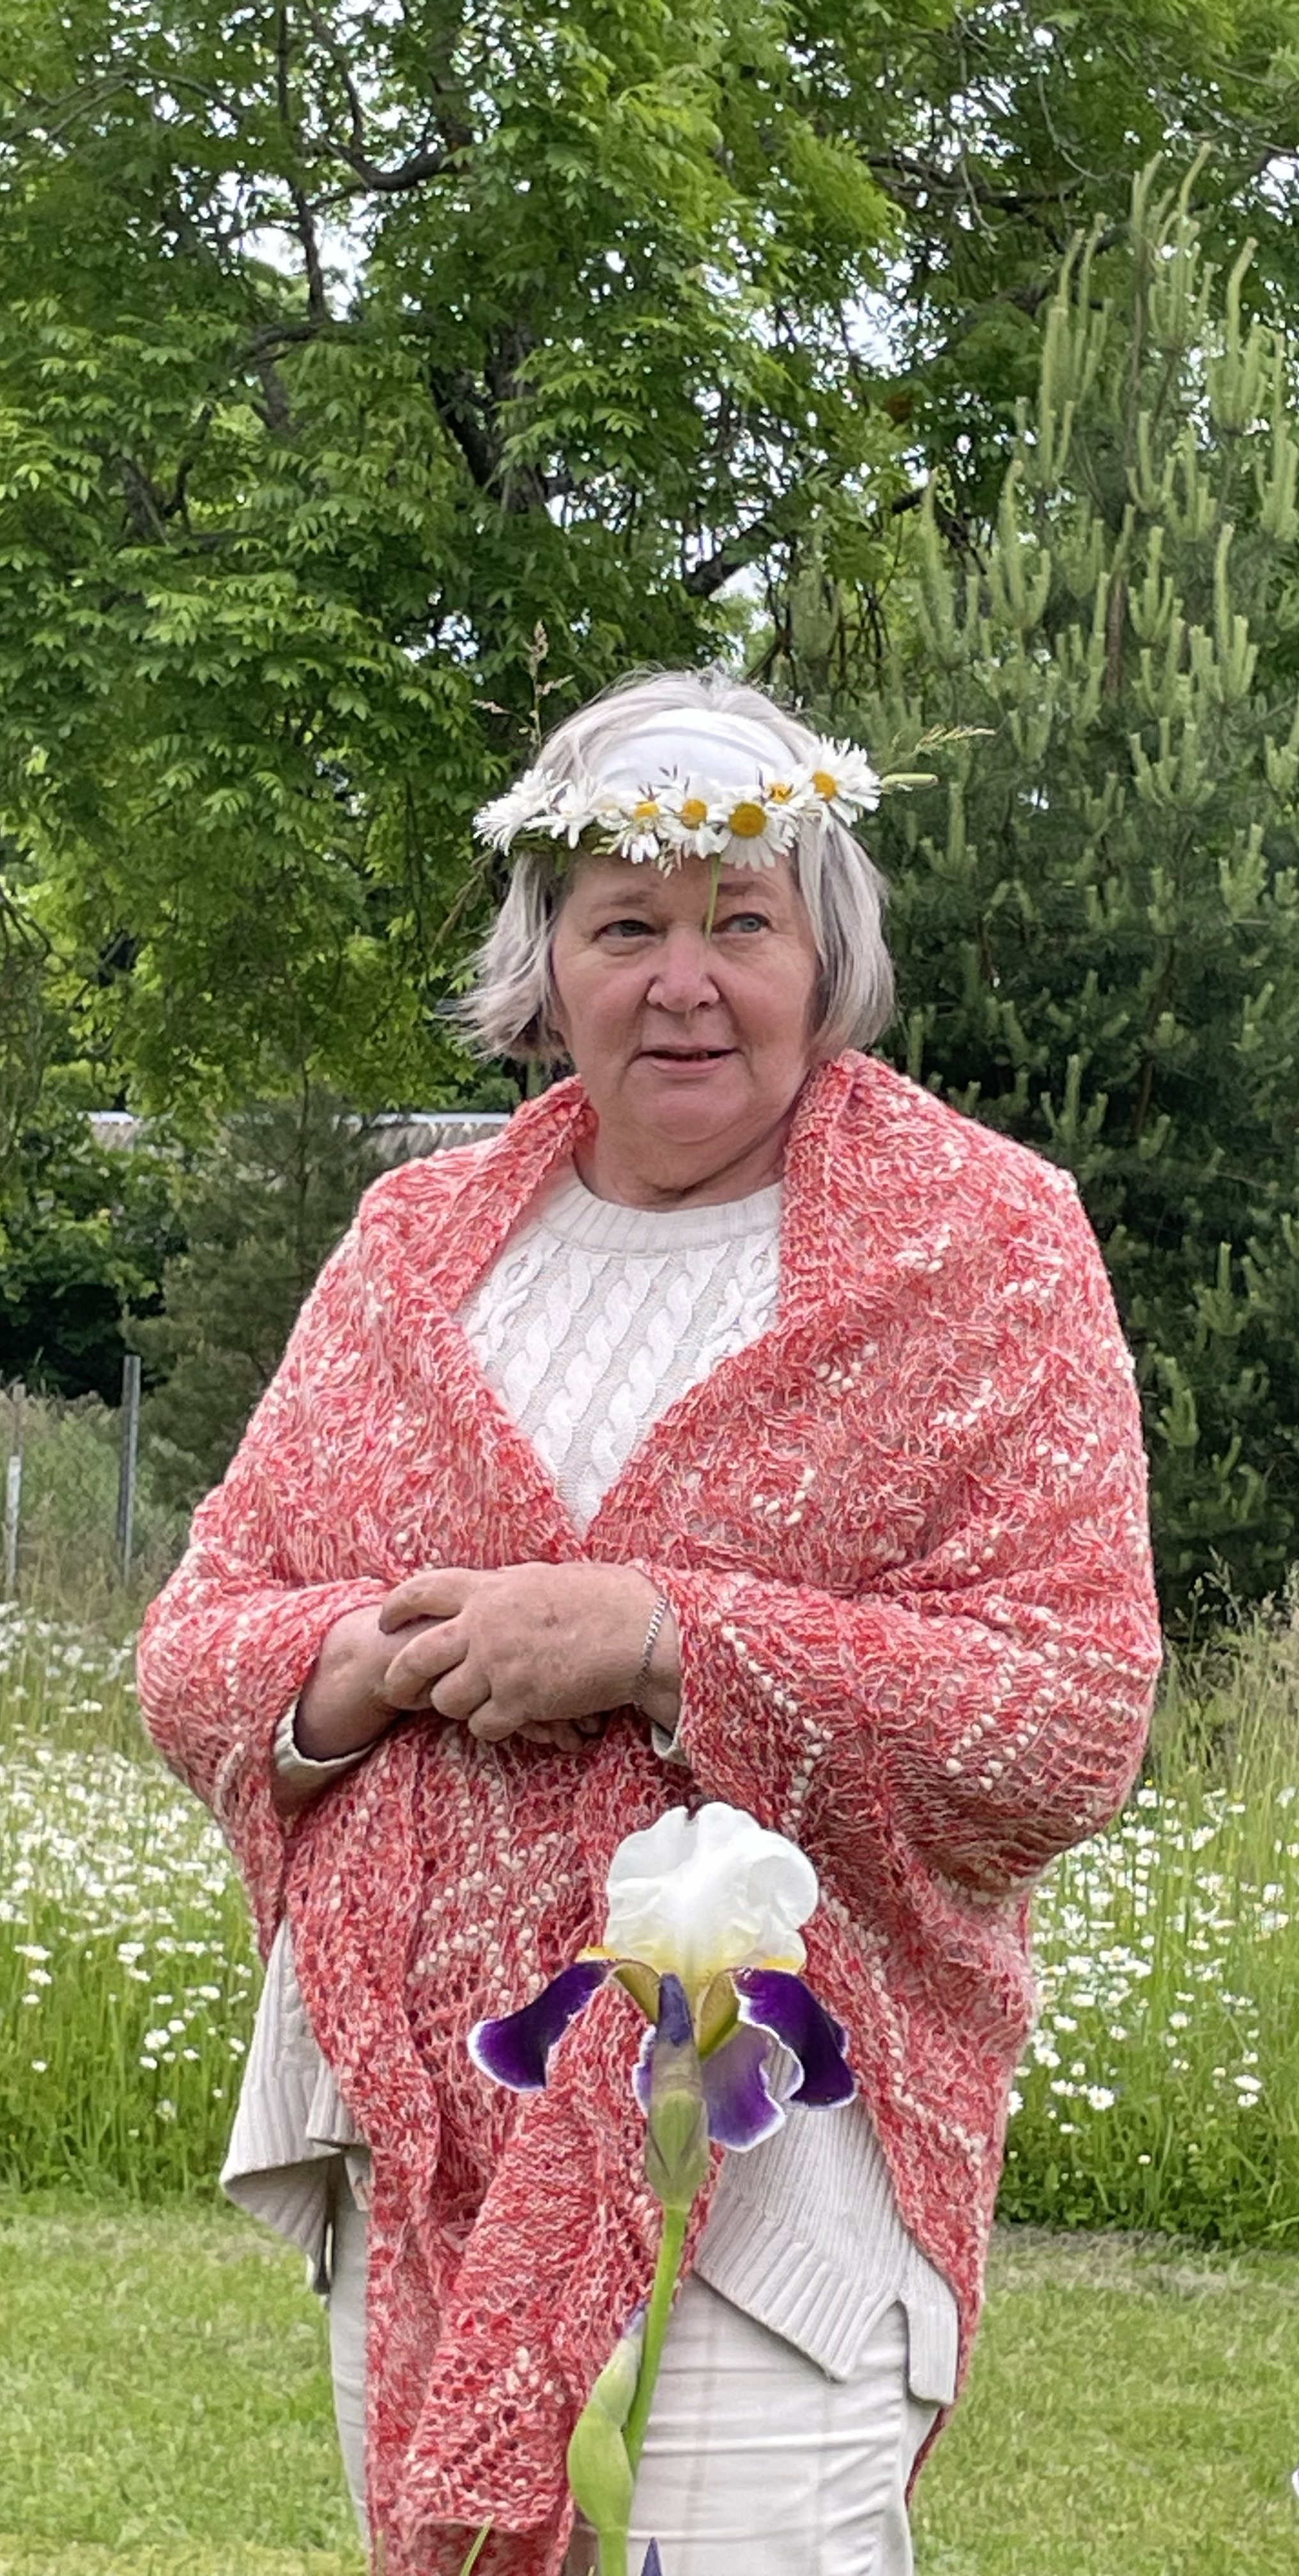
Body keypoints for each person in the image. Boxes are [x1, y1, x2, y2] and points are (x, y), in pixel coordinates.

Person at [137, 670, 1162, 2576]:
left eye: (740, 923)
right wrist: (351, 1667)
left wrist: (661, 1639)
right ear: (546, 969)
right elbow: (199, 1641)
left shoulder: (980, 1248)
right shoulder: (412, 1249)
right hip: (418, 2138)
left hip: (768, 2152)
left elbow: (1066, 1710)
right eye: (624, 928)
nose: (683, 982)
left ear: (824, 959)